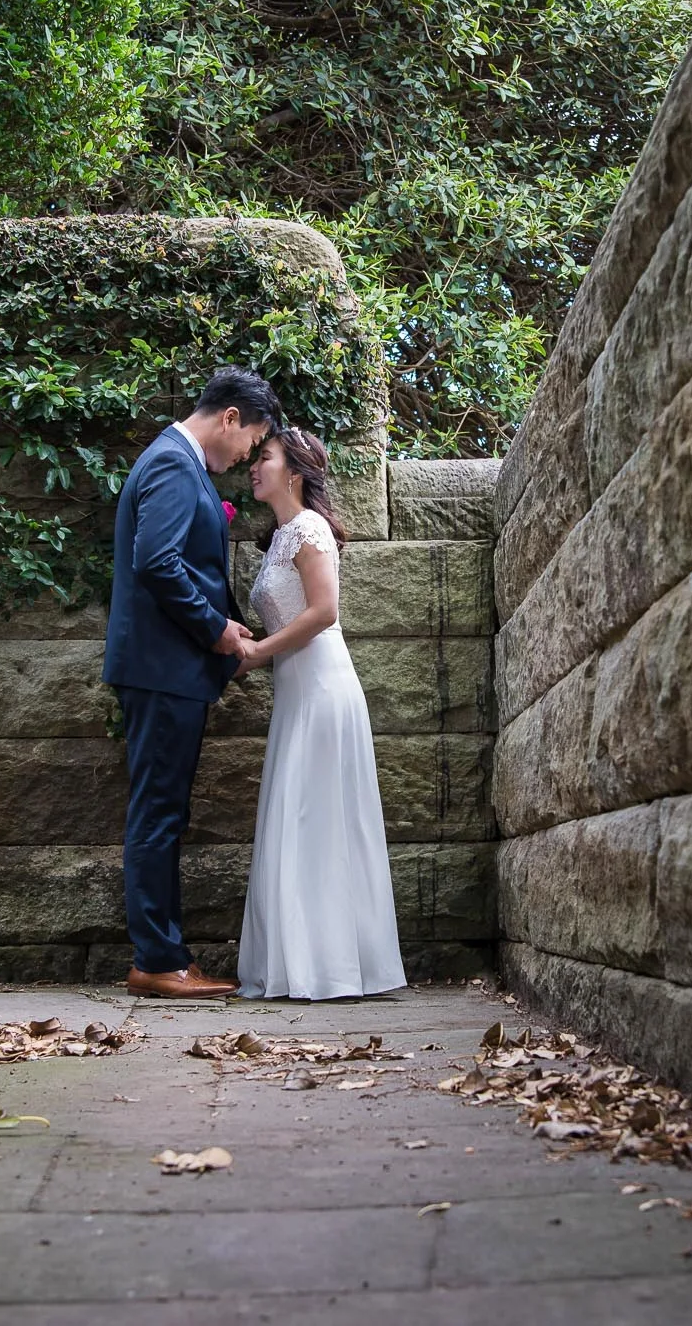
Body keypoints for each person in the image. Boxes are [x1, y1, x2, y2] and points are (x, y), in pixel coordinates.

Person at [103, 367, 278, 999]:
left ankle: (167, 954)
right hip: (162, 670)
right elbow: (157, 562)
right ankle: (156, 960)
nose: (248, 456)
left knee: (164, 811)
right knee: (158, 812)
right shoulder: (175, 464)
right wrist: (215, 629)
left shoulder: (175, 461)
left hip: (166, 671)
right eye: (252, 441)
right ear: (230, 418)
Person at [232, 428, 407, 1000]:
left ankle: (332, 968)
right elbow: (289, 618)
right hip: (296, 690)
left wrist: (260, 650)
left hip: (323, 688)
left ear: (294, 472)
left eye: (265, 457)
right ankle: (301, 962)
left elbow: (325, 611)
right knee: (299, 818)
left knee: (319, 819)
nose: (254, 465)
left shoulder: (309, 528)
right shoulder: (283, 536)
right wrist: (245, 649)